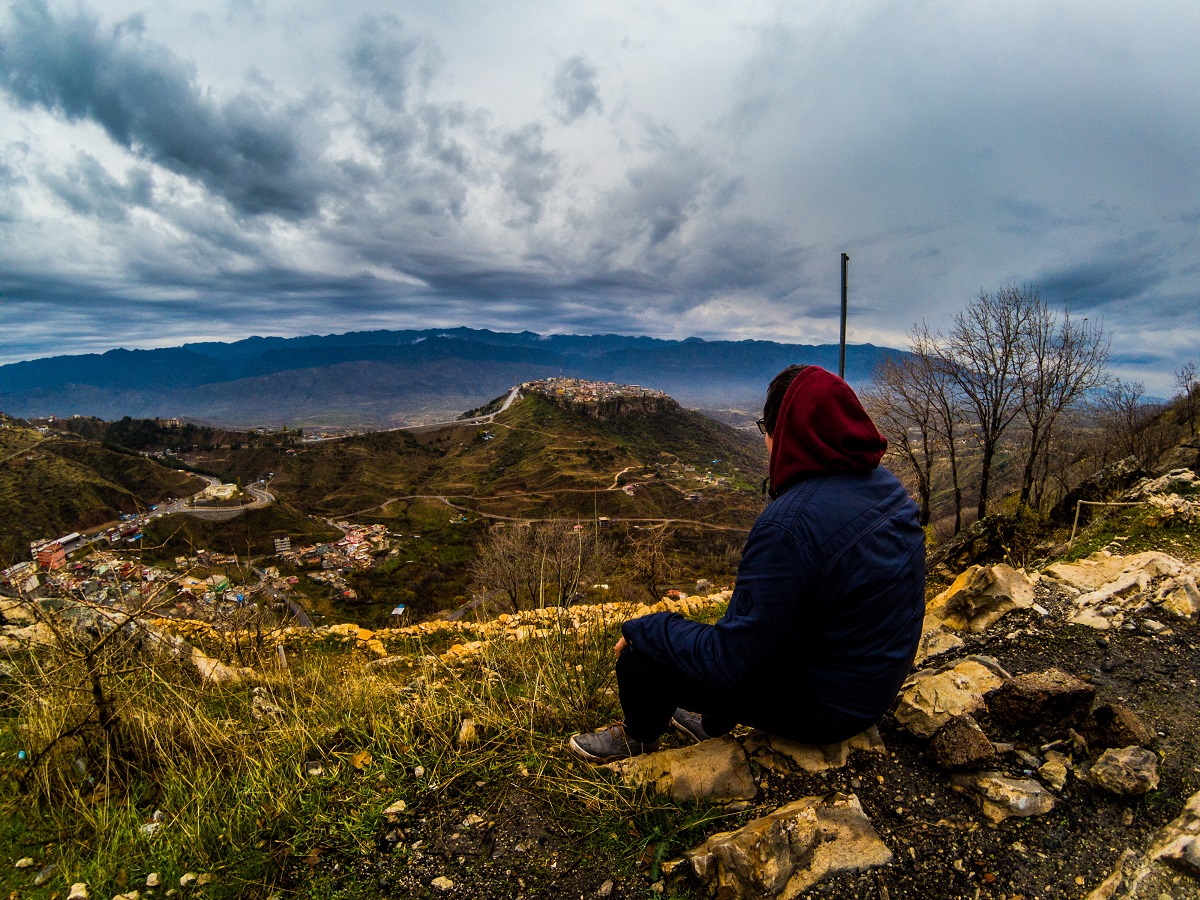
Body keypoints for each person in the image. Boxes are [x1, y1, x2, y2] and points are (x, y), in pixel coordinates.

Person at [568, 364, 926, 762]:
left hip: (828, 710)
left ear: (784, 434)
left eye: (766, 431)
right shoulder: (885, 485)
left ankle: (639, 737)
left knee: (643, 656)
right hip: (872, 684)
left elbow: (732, 662)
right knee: (755, 629)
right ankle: (710, 723)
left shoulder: (790, 527)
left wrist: (647, 628)